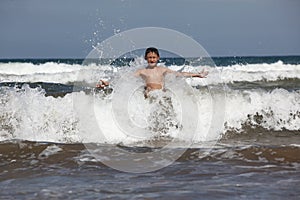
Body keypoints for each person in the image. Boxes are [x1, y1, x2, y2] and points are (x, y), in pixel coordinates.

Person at [96, 47, 208, 97]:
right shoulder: (142, 71)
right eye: (149, 57)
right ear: (146, 58)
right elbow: (125, 77)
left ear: (158, 58)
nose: (152, 59)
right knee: (148, 91)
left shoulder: (162, 70)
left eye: (154, 57)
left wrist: (198, 75)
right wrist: (108, 82)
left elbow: (179, 74)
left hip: (161, 93)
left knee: (166, 95)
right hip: (148, 93)